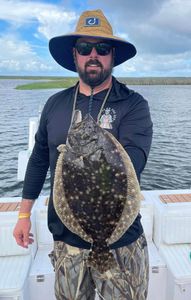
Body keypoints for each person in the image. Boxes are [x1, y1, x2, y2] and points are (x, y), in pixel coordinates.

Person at [13, 9, 153, 300]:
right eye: (84, 48)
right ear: (74, 56)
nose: (93, 55)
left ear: (112, 56)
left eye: (102, 48)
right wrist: (24, 214)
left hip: (121, 241)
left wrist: (94, 150)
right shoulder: (55, 104)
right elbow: (39, 159)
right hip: (67, 241)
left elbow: (134, 162)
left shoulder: (133, 105)